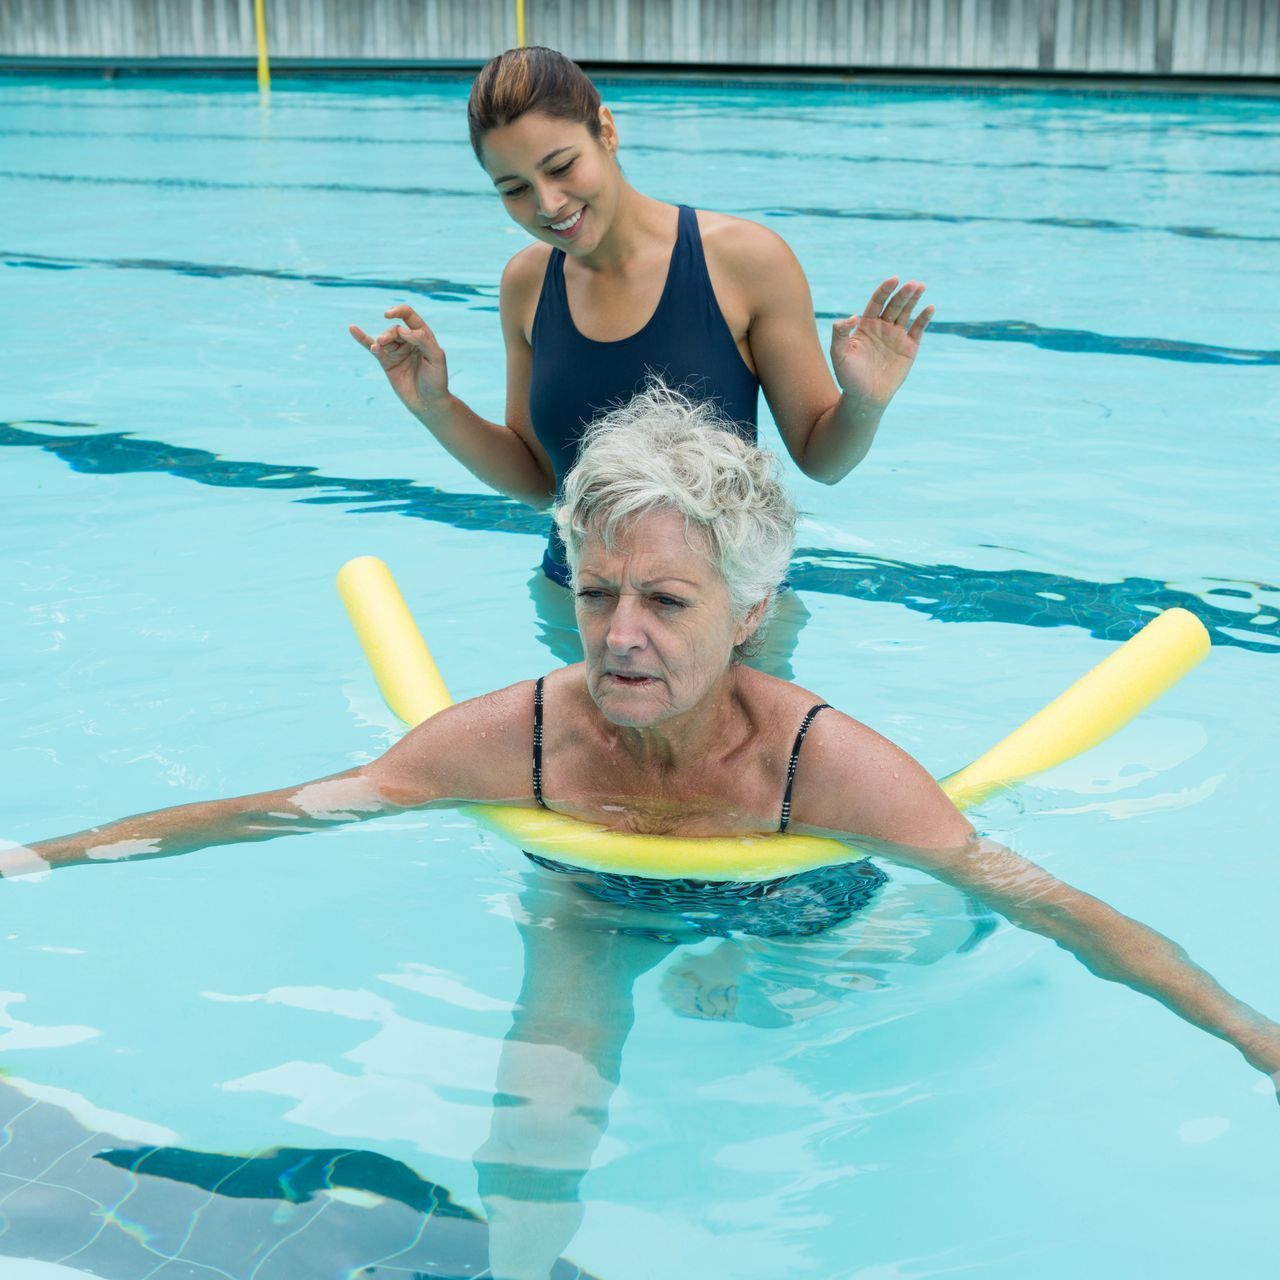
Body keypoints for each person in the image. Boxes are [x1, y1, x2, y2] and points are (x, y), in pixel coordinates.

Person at [9, 388, 1278, 1280]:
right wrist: (41, 855)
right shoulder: (515, 737)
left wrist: (1245, 1032)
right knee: (540, 1096)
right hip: (592, 889)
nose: (620, 632)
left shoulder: (823, 767)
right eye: (599, 590)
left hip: (808, 898)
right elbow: (281, 810)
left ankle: (752, 981)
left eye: (667, 599)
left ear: (750, 610)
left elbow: (1045, 901)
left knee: (801, 991)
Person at [349, 45, 933, 661]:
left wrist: (865, 402)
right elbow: (542, 479)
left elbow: (822, 457)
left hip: (721, 613)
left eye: (561, 166)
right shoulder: (526, 284)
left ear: (606, 130)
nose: (548, 205)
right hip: (582, 602)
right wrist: (436, 407)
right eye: (515, 188)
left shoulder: (744, 261)